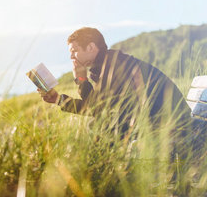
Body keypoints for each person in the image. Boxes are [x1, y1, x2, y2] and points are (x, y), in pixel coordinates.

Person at [38, 27, 195, 140]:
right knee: (99, 124)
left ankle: (118, 177)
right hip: (159, 121)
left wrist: (81, 79)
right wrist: (58, 99)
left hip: (172, 127)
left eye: (74, 51)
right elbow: (97, 107)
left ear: (91, 47)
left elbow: (95, 109)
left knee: (98, 125)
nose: (72, 57)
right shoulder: (106, 65)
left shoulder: (114, 67)